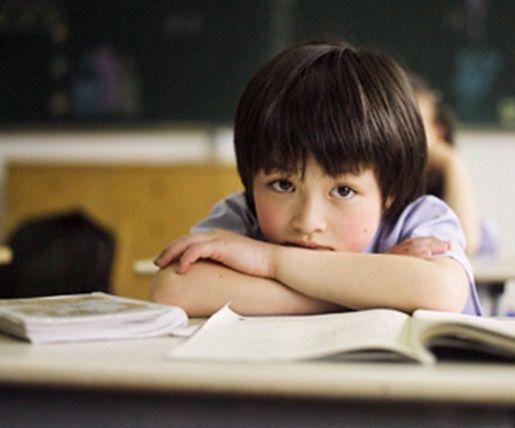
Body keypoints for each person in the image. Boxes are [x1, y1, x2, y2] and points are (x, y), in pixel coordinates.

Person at [150, 40, 482, 318]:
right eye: (283, 184)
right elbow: (173, 287)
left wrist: (270, 261)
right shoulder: (242, 215)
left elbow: (441, 290)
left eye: (343, 190)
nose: (308, 222)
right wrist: (369, 290)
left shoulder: (417, 219)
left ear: (390, 191)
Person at [409, 73, 496, 256]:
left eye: (414, 124)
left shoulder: (435, 198)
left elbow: (466, 243)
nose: (402, 135)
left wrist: (451, 161)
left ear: (438, 133)